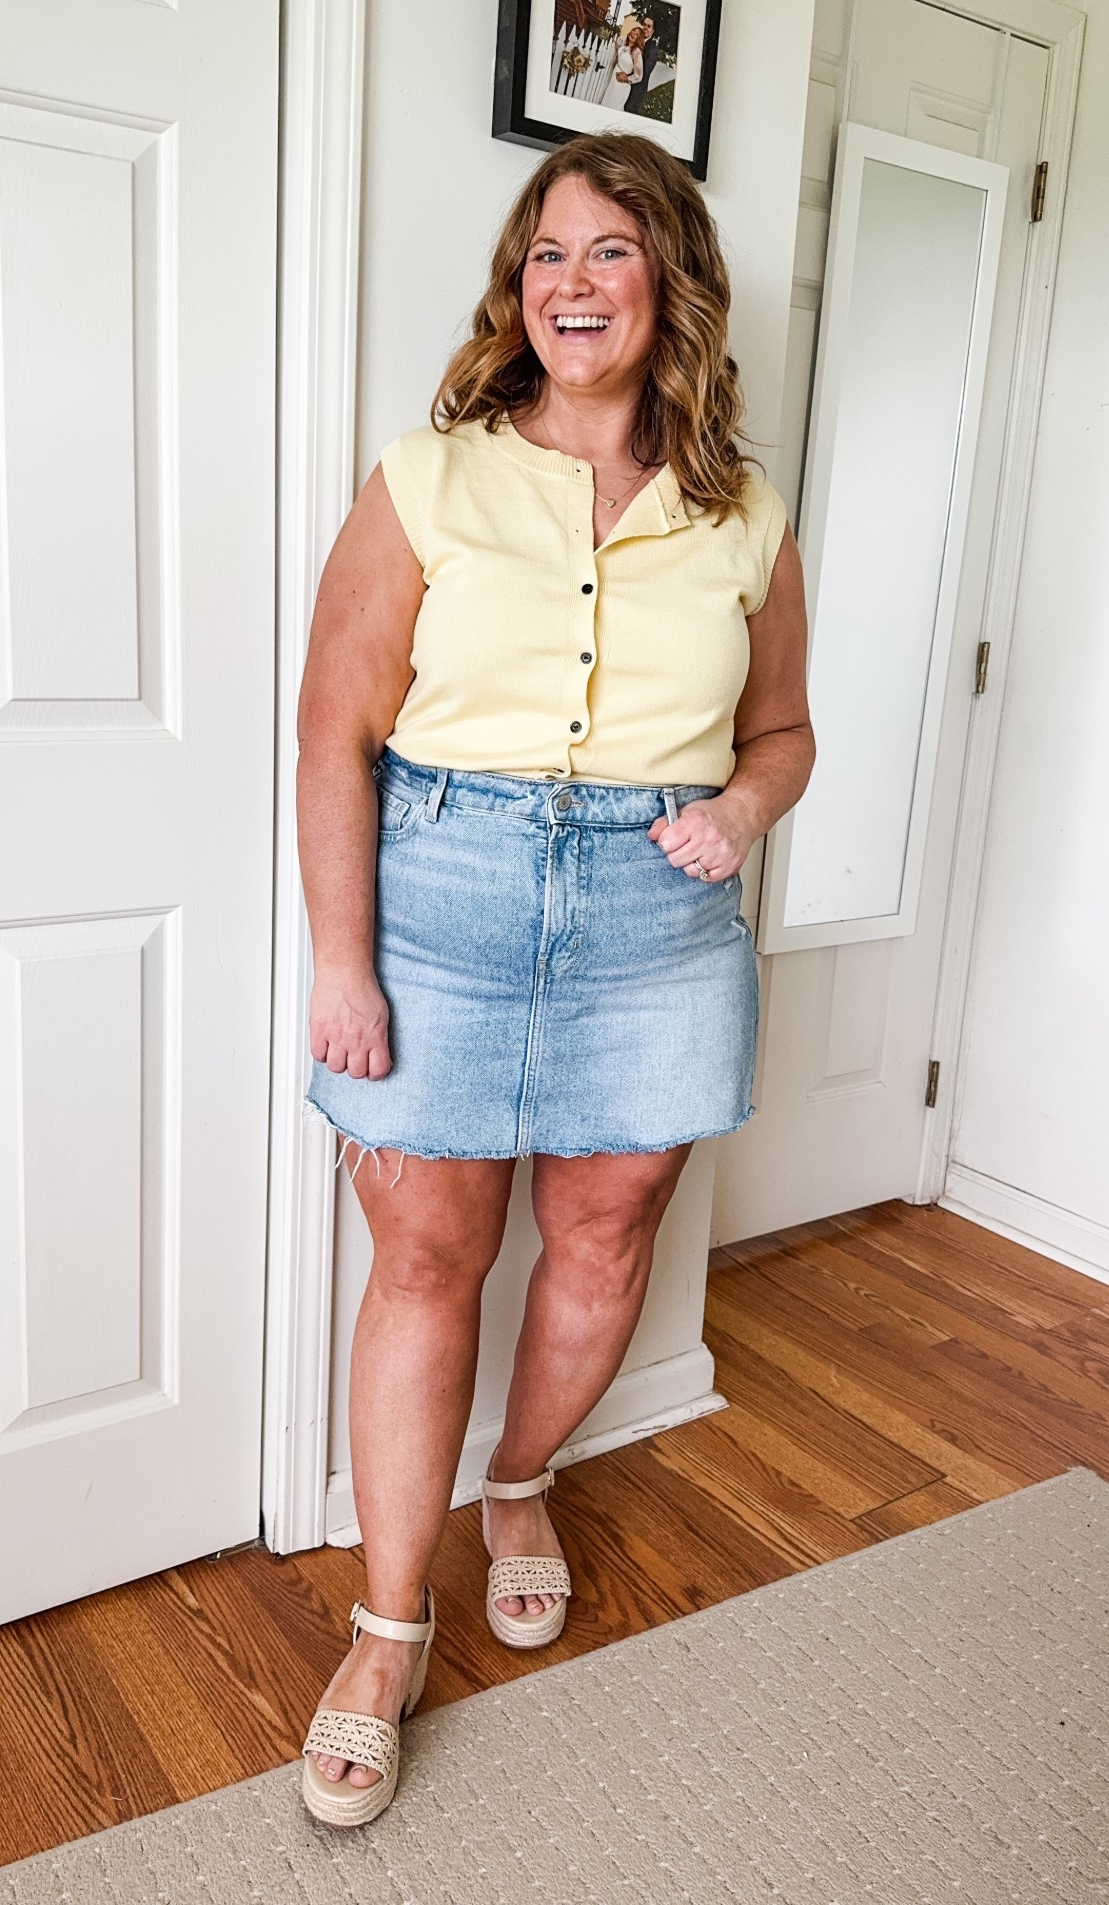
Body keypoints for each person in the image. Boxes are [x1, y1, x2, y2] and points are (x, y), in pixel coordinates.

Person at [293, 130, 814, 1827]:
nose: (570, 284)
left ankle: (518, 1481)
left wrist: (743, 809)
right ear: (516, 290)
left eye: (608, 251)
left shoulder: (743, 515)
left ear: (671, 284)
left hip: (658, 912)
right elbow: (332, 731)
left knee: (606, 1228)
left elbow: (783, 731)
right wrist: (344, 960)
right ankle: (387, 1625)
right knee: (427, 1255)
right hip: (440, 892)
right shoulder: (428, 478)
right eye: (545, 254)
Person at [604, 20, 648, 109]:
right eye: (633, 31)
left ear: (638, 39)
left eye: (637, 35)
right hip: (614, 80)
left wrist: (626, 78)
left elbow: (639, 76)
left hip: (621, 84)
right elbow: (622, 53)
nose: (634, 34)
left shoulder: (636, 52)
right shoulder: (625, 47)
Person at [622, 16, 659, 113]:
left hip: (635, 92)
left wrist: (626, 78)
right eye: (644, 25)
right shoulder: (636, 40)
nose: (645, 28)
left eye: (649, 26)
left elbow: (644, 73)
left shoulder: (652, 50)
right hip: (623, 86)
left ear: (652, 31)